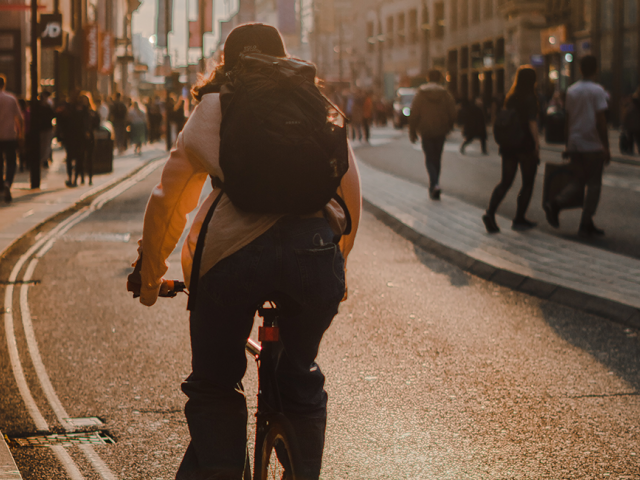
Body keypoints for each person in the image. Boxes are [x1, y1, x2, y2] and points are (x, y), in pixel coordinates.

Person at [129, 23, 361, 480]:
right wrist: (338, 267)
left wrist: (152, 276)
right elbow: (348, 196)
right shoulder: (315, 105)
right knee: (301, 376)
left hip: (230, 260)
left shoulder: (214, 105)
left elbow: (169, 201)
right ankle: (303, 468)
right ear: (283, 57)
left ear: (226, 63)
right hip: (313, 257)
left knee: (214, 384)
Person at [543, 55, 610, 237]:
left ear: (580, 69)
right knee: (594, 184)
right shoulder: (597, 91)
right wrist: (606, 146)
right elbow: (601, 120)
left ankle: (557, 204)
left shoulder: (571, 91)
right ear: (596, 69)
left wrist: (567, 144)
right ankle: (585, 220)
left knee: (579, 180)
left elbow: (568, 120)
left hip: (575, 143)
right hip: (592, 144)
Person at [482, 65, 540, 233]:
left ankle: (490, 212)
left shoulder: (511, 97)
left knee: (505, 181)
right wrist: (537, 145)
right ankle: (519, 218)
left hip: (509, 145)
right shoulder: (530, 98)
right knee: (527, 183)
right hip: (525, 145)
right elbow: (532, 122)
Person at [408, 69, 457, 200]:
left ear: (428, 78)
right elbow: (453, 111)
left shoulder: (421, 93)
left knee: (429, 158)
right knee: (437, 158)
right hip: (441, 130)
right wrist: (449, 125)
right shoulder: (445, 93)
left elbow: (414, 113)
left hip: (426, 130)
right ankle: (435, 183)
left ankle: (434, 184)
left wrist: (412, 131)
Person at [0, 74, 24, 203]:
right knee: (11, 162)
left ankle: (1, 186)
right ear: (4, 84)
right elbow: (19, 118)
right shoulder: (11, 98)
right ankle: (8, 182)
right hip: (9, 135)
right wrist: (21, 135)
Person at [622, 87, 640, 155]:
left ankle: (630, 150)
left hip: (631, 127)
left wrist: (624, 125)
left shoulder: (630, 107)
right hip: (638, 126)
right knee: (638, 138)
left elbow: (626, 117)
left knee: (631, 138)